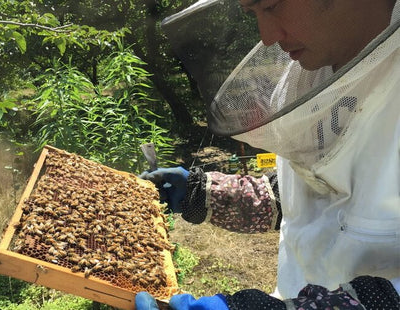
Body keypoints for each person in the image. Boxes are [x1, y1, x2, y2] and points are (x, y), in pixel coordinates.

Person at [136, 0, 400, 309]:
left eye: (272, 6)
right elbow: (306, 190)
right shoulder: (309, 74)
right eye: (252, 12)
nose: (267, 36)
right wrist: (208, 194)